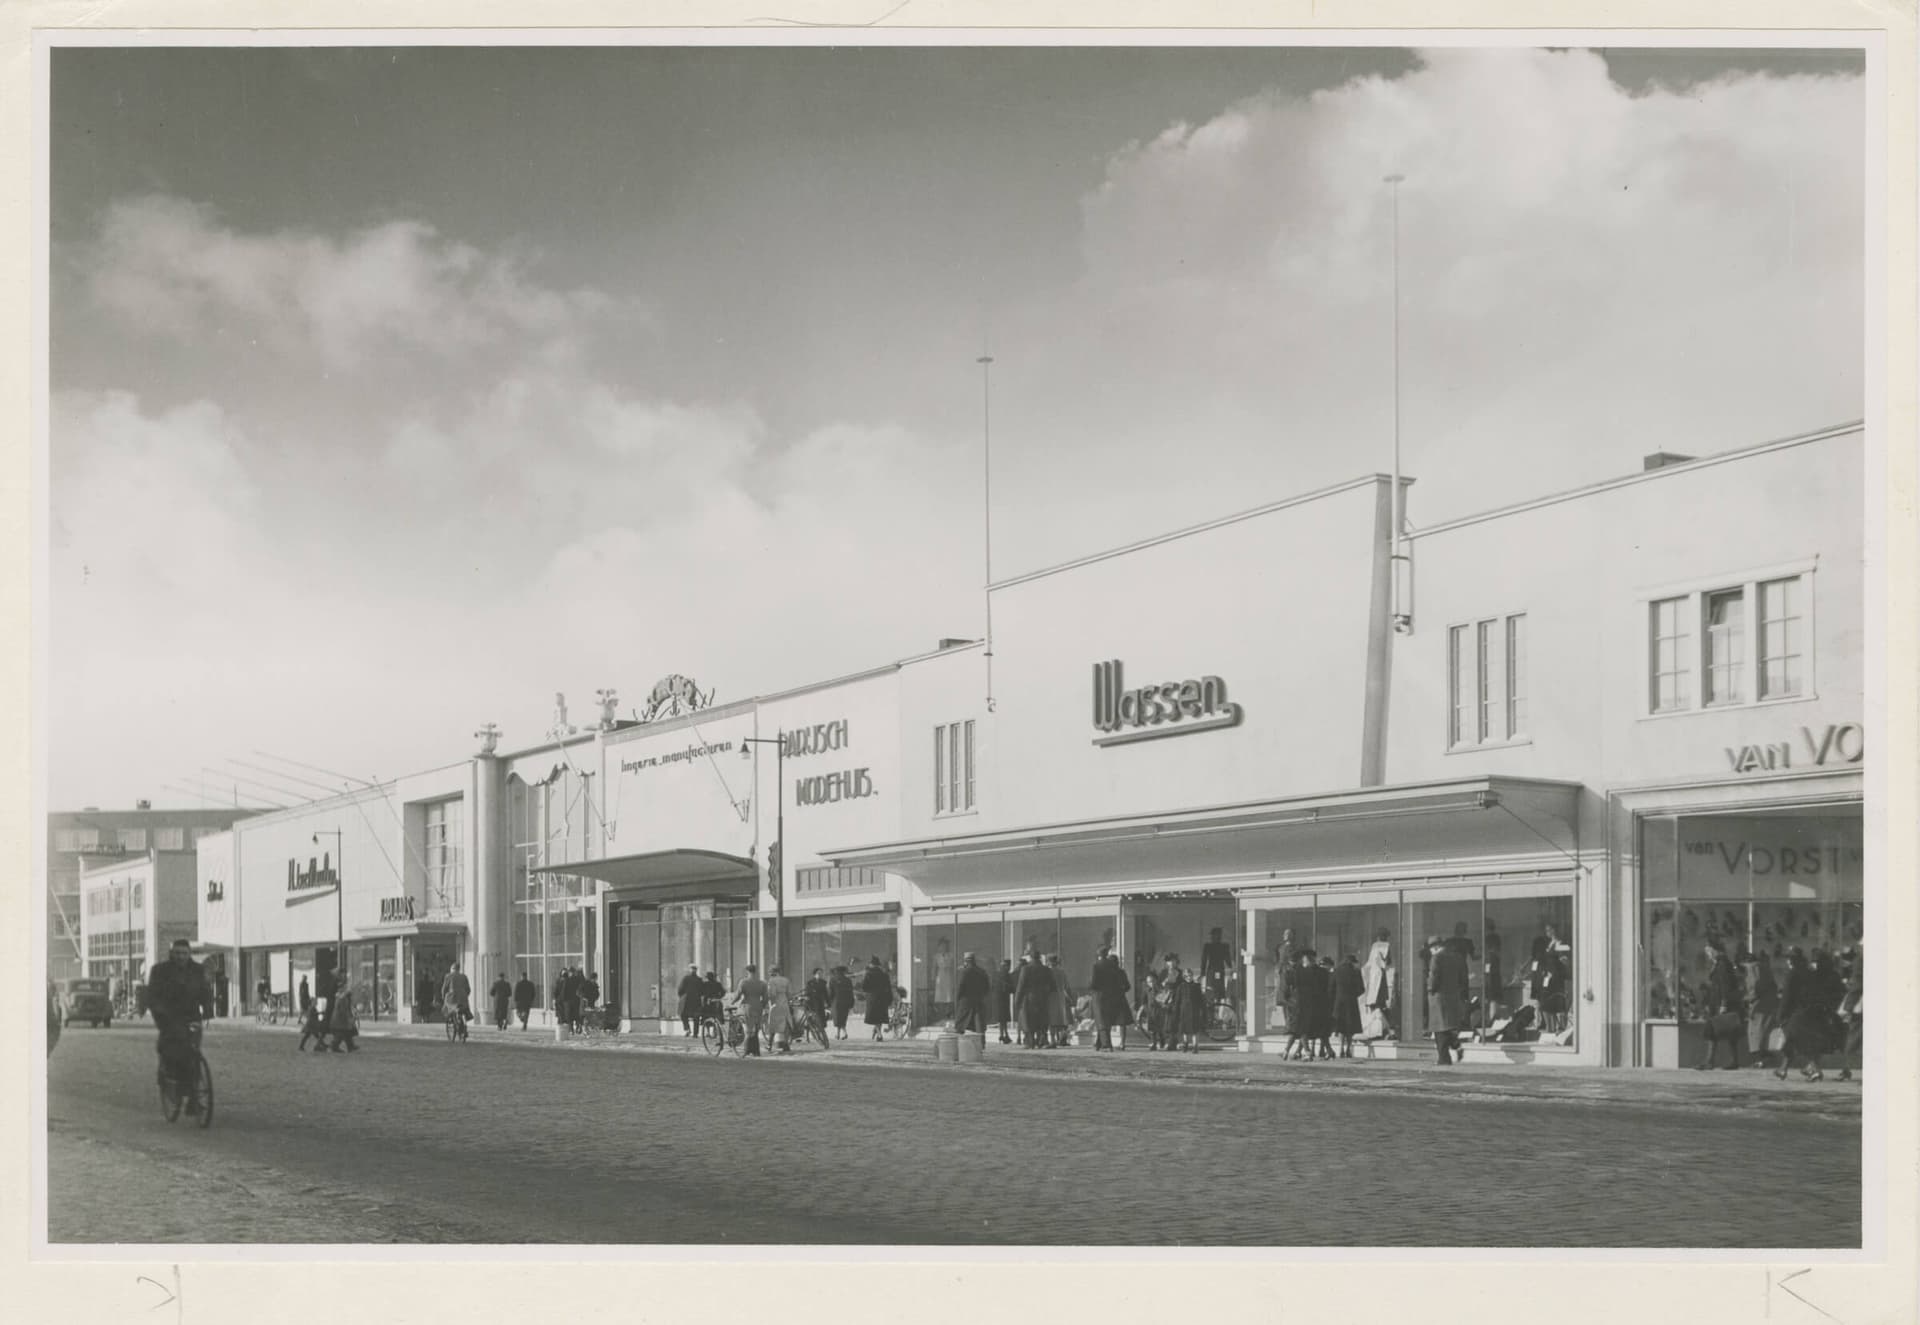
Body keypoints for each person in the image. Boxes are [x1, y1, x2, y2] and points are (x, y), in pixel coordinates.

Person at [146, 940, 213, 1113]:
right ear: (171, 953)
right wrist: (160, 1013)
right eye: (177, 953)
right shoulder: (160, 971)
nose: (181, 957)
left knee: (193, 1053)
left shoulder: (198, 971)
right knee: (171, 1052)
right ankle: (169, 1081)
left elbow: (205, 992)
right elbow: (153, 995)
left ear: (189, 954)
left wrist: (207, 1010)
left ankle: (193, 1098)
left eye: (184, 953)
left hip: (191, 1017)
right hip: (168, 1017)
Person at [1774, 947, 1831, 1082]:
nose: (1787, 961)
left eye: (1788, 958)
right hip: (1812, 1012)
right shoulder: (1809, 972)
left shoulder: (1792, 974)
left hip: (1798, 1013)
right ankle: (1783, 1069)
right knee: (1793, 1040)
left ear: (1792, 960)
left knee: (1798, 1040)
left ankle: (1815, 1070)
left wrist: (1780, 1014)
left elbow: (1787, 997)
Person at [1696, 943, 1745, 1070]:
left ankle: (1710, 1061)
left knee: (1713, 1030)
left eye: (1709, 951)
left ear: (1715, 950)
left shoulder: (1722, 965)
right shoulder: (1720, 963)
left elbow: (1725, 985)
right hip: (1718, 1002)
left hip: (1721, 1003)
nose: (1707, 954)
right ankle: (1731, 1060)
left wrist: (1723, 1004)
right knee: (1728, 1032)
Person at [1428, 934, 1470, 1066]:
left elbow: (1434, 976)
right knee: (1447, 1026)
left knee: (1439, 1028)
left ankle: (1444, 1059)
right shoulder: (1456, 958)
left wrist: (1430, 989)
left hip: (1439, 996)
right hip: (1453, 996)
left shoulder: (1436, 958)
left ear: (1435, 947)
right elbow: (1463, 978)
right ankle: (1456, 1045)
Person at [1741, 947, 1779, 1069]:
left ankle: (1761, 1059)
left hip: (1759, 1006)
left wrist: (1747, 998)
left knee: (1756, 1033)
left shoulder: (1752, 968)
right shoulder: (1764, 967)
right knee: (1764, 1031)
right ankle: (1764, 1058)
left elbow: (1754, 986)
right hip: (1769, 1004)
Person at [1092, 950, 1132, 1051]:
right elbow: (1127, 986)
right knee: (1120, 1022)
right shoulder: (1120, 972)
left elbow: (1094, 983)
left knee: (1104, 1020)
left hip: (1108, 998)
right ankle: (1121, 1043)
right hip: (1119, 998)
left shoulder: (1101, 968)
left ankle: (1103, 1043)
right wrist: (1121, 990)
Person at [1012, 952, 1053, 1049]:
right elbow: (1052, 986)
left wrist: (1017, 1001)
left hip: (1029, 998)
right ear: (1039, 958)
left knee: (1029, 1020)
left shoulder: (1026, 969)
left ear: (1030, 958)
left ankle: (1030, 1041)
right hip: (1043, 997)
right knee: (1041, 1019)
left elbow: (1021, 986)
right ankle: (1042, 1039)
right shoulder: (1046, 970)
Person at [1360, 928, 1394, 1043]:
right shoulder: (1381, 946)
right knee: (1378, 1006)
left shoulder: (1378, 946)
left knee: (1376, 1006)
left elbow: (1382, 962)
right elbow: (1387, 962)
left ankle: (1381, 1030)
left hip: (1376, 979)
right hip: (1376, 978)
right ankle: (1382, 1030)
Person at [1166, 960, 1206, 1053]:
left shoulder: (1196, 986)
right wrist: (1176, 1011)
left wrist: (1202, 1010)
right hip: (1184, 1010)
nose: (1189, 977)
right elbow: (1177, 1000)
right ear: (1184, 977)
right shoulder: (1181, 987)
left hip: (1194, 1009)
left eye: (1190, 975)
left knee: (1195, 1029)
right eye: (1186, 976)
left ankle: (1195, 1046)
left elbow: (1200, 999)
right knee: (1185, 1029)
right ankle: (1185, 1044)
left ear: (1192, 976)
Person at [1331, 953, 1365, 1059]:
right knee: (1350, 1027)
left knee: (1341, 1026)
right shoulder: (1356, 972)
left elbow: (1331, 987)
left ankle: (1340, 1048)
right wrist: (1353, 995)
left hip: (1339, 1001)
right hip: (1351, 1002)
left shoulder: (1337, 971)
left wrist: (1336, 997)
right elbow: (1361, 989)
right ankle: (1348, 1049)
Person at [1837, 945, 1863, 1083]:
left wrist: (1848, 1007)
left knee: (1853, 1037)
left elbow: (1857, 987)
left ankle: (1847, 1069)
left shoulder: (1859, 963)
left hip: (1860, 1005)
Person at [953, 952, 990, 1037]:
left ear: (966, 961)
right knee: (979, 1025)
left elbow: (960, 987)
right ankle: (981, 1044)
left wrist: (957, 999)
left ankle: (960, 1045)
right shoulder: (982, 972)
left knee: (960, 1024)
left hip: (965, 1002)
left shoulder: (965, 972)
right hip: (978, 1001)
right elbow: (987, 988)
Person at [737, 964, 769, 1056]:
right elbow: (766, 998)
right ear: (756, 971)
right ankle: (756, 1050)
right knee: (756, 1027)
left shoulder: (743, 982)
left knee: (748, 1028)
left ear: (747, 971)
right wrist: (762, 1005)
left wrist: (732, 1002)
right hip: (758, 1006)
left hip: (748, 1005)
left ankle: (747, 1049)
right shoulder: (762, 983)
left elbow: (738, 994)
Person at [860, 956, 893, 1041]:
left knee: (874, 1016)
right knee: (880, 1016)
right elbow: (888, 987)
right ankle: (876, 1030)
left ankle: (879, 1034)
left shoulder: (868, 974)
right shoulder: (884, 974)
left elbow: (864, 987)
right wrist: (889, 998)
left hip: (872, 997)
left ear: (871, 965)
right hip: (882, 997)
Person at [765, 966, 795, 1053]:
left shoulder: (772, 981)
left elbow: (772, 994)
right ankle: (786, 1044)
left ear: (772, 973)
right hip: (784, 1003)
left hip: (776, 1004)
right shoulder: (786, 980)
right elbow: (790, 994)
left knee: (773, 1025)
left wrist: (770, 1003)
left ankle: (769, 1045)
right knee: (785, 1024)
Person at [328, 973, 360, 1052]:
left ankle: (350, 1046)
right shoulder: (342, 998)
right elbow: (343, 1011)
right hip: (340, 1020)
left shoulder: (340, 997)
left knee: (347, 1033)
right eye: (344, 988)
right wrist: (350, 1019)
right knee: (341, 1034)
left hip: (339, 1020)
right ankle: (333, 1046)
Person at [1045, 954, 1072, 1047]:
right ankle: (1061, 1038)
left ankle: (1052, 1040)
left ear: (1049, 961)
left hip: (1051, 996)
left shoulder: (1048, 971)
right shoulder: (1062, 971)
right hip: (1061, 996)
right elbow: (1067, 985)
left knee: (1052, 1019)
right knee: (1061, 1018)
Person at [1200, 927, 1233, 1001]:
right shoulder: (1208, 946)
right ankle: (1212, 1003)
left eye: (1215, 935)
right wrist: (1202, 973)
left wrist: (1232, 967)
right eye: (1213, 935)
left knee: (1218, 988)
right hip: (1212, 970)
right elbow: (1204, 960)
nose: (1213, 937)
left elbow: (1227, 959)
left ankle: (1217, 1002)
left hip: (1218, 970)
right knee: (1211, 988)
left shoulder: (1224, 946)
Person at [990, 958, 1015, 1045]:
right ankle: (1004, 1035)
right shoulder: (1007, 975)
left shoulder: (996, 974)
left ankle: (1003, 1034)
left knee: (1001, 1019)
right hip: (1004, 998)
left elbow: (992, 986)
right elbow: (1011, 988)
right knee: (1003, 1018)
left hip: (997, 998)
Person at [931, 937, 956, 1024]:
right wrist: (933, 979)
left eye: (945, 946)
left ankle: (948, 1015)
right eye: (942, 946)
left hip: (948, 976)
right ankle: (941, 1017)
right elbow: (934, 968)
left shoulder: (951, 955)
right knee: (940, 998)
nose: (943, 947)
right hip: (940, 976)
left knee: (949, 997)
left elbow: (953, 967)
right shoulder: (936, 956)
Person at [441, 963, 473, 1028]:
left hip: (452, 997)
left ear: (452, 969)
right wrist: (465, 995)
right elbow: (468, 989)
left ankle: (450, 1019)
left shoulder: (448, 976)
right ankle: (465, 1021)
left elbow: (444, 988)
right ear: (459, 969)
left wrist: (443, 996)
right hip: (463, 998)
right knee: (464, 1009)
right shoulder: (464, 976)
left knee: (446, 1007)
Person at [828, 965, 856, 1039]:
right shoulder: (848, 980)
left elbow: (831, 993)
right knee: (843, 1018)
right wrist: (851, 1002)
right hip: (846, 1002)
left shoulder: (832, 980)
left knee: (837, 1019)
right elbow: (851, 992)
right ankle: (841, 1033)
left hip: (836, 1002)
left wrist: (829, 1002)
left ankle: (839, 1034)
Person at [803, 967, 831, 1040]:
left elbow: (825, 994)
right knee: (812, 1018)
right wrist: (806, 998)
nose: (820, 975)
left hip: (820, 1002)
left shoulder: (823, 982)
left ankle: (821, 1032)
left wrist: (828, 1003)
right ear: (814, 974)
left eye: (821, 973)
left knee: (822, 1018)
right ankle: (811, 1032)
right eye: (818, 973)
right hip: (811, 1002)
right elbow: (807, 992)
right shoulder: (810, 983)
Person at [676, 963, 703, 1037]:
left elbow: (680, 989)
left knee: (684, 1015)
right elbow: (702, 991)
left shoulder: (686, 978)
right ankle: (695, 1033)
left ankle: (687, 1029)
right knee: (696, 1017)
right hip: (696, 1001)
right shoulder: (699, 980)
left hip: (687, 1000)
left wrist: (682, 996)